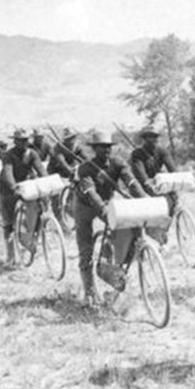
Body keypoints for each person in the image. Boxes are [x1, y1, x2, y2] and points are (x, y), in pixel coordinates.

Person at [74, 131, 146, 305]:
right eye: (101, 148)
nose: (105, 151)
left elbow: (131, 182)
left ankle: (115, 268)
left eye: (108, 147)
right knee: (86, 249)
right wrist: (105, 209)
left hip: (106, 201)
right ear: (94, 149)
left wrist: (145, 198)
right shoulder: (86, 168)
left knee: (128, 227)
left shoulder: (117, 162)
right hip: (85, 206)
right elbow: (91, 193)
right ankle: (89, 292)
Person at [0, 129, 46, 264]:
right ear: (14, 141)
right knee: (8, 222)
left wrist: (47, 182)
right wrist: (14, 187)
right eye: (20, 140)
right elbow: (8, 172)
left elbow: (41, 169)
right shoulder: (8, 155)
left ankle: (31, 236)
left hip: (26, 186)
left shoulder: (32, 154)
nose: (23, 143)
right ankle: (10, 255)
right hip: (9, 189)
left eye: (26, 140)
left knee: (39, 209)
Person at [47, 127, 83, 224]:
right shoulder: (58, 148)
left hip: (70, 172)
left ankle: (71, 207)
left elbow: (84, 159)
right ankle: (59, 220)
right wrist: (71, 171)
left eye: (73, 137)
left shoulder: (77, 147)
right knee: (57, 196)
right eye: (68, 139)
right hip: (56, 172)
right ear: (65, 139)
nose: (71, 141)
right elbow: (62, 162)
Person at [129, 126, 176, 195]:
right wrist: (149, 185)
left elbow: (172, 169)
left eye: (155, 136)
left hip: (158, 182)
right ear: (145, 138)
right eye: (151, 137)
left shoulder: (162, 151)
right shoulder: (137, 154)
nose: (154, 139)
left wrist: (173, 182)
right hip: (143, 185)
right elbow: (141, 174)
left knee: (173, 194)